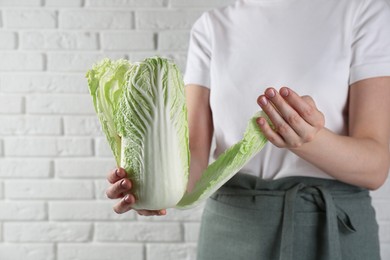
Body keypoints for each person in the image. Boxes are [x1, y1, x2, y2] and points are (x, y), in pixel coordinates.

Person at [105, 0, 390, 259]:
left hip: (332, 230)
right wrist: (151, 188)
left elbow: (375, 168)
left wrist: (309, 139)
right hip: (233, 228)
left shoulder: (363, 12)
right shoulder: (212, 26)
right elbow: (193, 157)